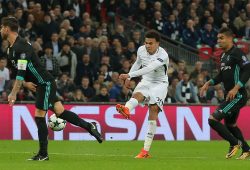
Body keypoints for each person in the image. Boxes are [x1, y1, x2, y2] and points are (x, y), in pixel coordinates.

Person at [1, 17, 103, 161]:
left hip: (45, 83)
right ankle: (89, 126)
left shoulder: (21, 46)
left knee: (39, 115)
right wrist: (25, 84)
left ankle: (43, 154)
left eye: (1, 27)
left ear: (7, 29)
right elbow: (20, 72)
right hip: (39, 84)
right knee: (60, 112)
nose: (0, 30)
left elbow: (21, 72)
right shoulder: (10, 50)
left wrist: (13, 93)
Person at [116, 30, 169, 158]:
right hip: (146, 80)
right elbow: (138, 63)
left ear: (158, 44)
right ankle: (126, 109)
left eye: (151, 43)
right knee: (138, 95)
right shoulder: (141, 50)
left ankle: (145, 151)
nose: (147, 46)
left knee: (153, 109)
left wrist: (129, 75)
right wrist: (129, 78)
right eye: (146, 43)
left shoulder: (163, 54)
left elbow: (149, 68)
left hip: (160, 83)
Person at [200, 27, 250, 160]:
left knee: (212, 119)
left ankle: (234, 143)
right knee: (230, 125)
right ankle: (247, 149)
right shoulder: (223, 55)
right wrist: (208, 83)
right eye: (218, 38)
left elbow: (247, 70)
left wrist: (236, 88)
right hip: (230, 95)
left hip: (238, 95)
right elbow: (221, 75)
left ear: (229, 38)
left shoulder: (238, 53)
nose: (218, 41)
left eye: (221, 38)